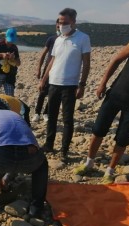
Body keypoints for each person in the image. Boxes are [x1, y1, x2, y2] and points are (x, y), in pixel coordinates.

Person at [73, 35, 129, 184]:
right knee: (98, 129)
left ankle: (109, 171)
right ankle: (89, 163)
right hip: (116, 94)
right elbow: (116, 60)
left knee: (123, 138)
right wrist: (103, 83)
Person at [39, 8, 91, 162]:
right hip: (54, 83)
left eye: (65, 22)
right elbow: (52, 60)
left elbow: (86, 63)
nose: (62, 25)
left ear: (74, 22)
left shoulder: (83, 38)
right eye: (60, 22)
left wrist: (82, 84)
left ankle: (64, 150)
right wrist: (43, 79)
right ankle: (49, 144)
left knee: (67, 119)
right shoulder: (59, 39)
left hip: (70, 85)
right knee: (51, 116)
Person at [32, 19, 60, 123]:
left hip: (59, 70)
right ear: (56, 26)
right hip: (48, 68)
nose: (59, 27)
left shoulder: (66, 39)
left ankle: (46, 113)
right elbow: (43, 54)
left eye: (60, 25)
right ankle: (37, 113)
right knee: (42, 91)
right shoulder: (51, 39)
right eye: (57, 26)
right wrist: (38, 68)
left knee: (53, 93)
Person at [0, 27, 21, 96]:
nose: (10, 42)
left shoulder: (14, 48)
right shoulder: (0, 44)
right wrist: (2, 54)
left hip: (10, 75)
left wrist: (13, 59)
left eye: (12, 41)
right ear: (6, 37)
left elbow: (18, 63)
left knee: (10, 96)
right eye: (9, 40)